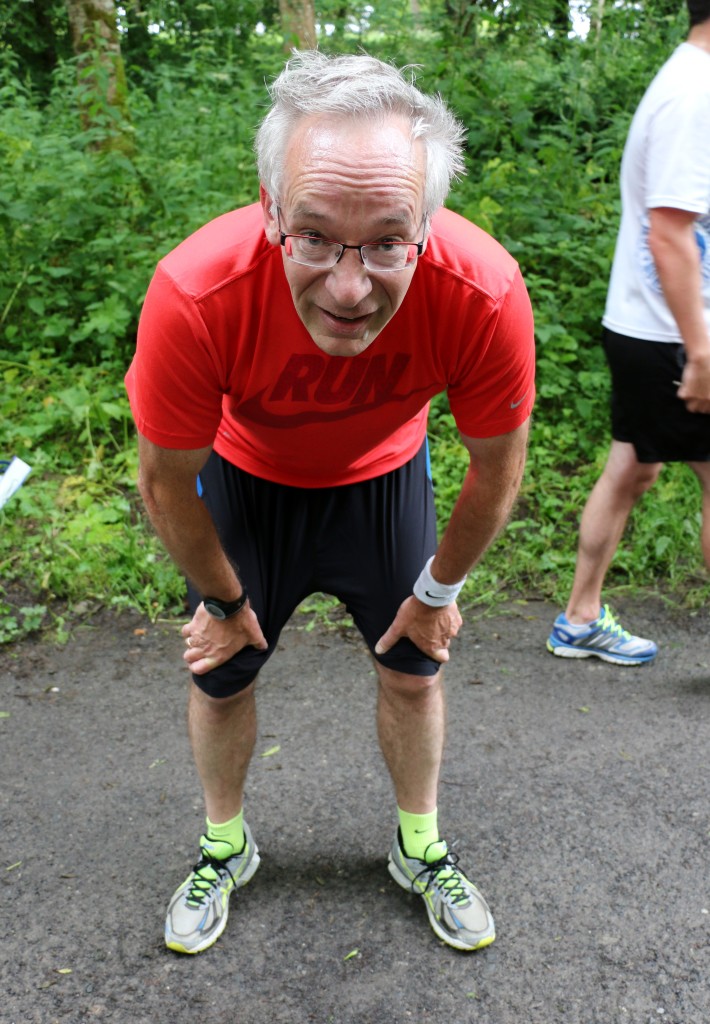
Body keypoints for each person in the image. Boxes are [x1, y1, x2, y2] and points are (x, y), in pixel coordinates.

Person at [125, 50, 535, 956]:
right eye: (313, 236)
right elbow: (165, 479)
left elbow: (497, 465)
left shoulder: (482, 289)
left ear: (429, 224)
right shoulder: (196, 293)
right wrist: (226, 604)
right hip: (247, 479)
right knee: (220, 672)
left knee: (412, 667)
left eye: (388, 240)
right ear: (270, 209)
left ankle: (417, 845)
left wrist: (436, 594)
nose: (349, 289)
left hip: (383, 481)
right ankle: (224, 845)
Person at [547, 1, 710, 667]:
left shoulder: (692, 83)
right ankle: (579, 616)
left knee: (633, 468)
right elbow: (667, 231)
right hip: (675, 333)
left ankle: (580, 617)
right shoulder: (693, 95)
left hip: (652, 325)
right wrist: (699, 350)